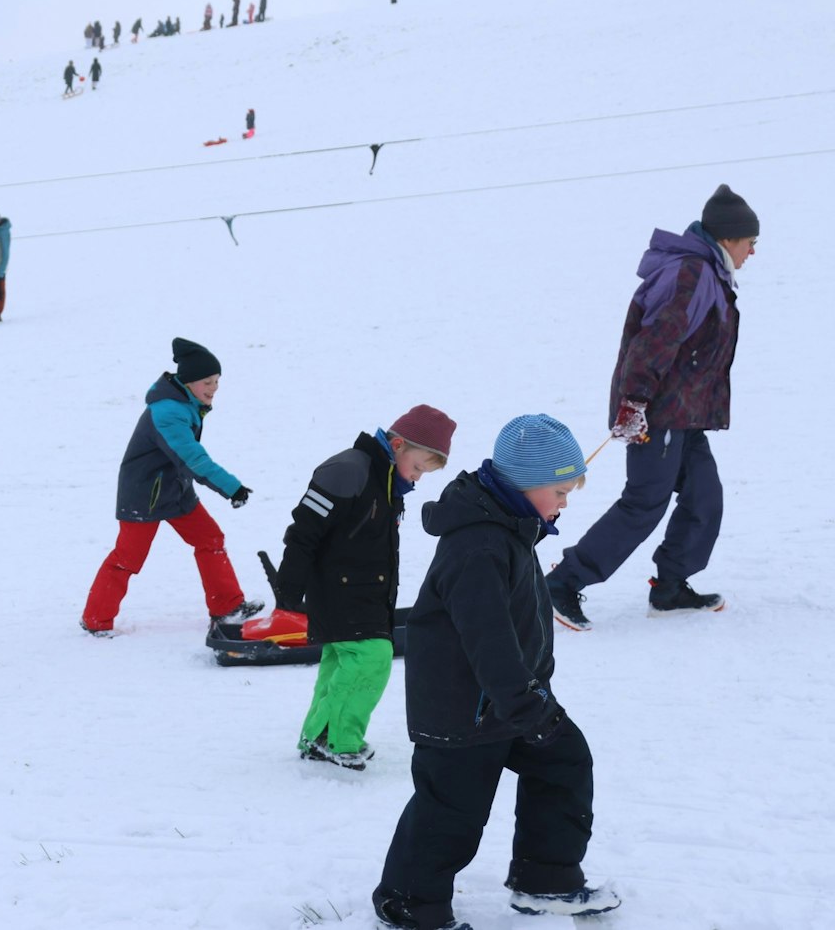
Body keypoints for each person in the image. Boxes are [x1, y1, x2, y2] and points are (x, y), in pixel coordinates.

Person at [373, 414, 620, 930]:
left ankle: (545, 879)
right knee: (451, 813)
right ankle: (409, 906)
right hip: (463, 710)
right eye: (559, 490)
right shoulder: (480, 545)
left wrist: (532, 694)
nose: (564, 503)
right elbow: (487, 640)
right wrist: (528, 704)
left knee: (564, 763)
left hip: (509, 701)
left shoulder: (510, 528)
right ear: (525, 485)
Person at [544, 185, 756, 630]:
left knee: (705, 496)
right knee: (644, 504)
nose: (753, 251)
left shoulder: (706, 273)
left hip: (682, 416)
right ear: (730, 237)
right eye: (751, 241)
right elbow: (654, 343)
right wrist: (634, 403)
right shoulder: (691, 275)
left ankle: (671, 587)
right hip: (656, 413)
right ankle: (561, 584)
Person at [270, 406, 456, 770]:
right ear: (398, 444)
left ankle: (317, 737)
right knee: (371, 659)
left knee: (341, 662)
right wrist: (289, 585)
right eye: (418, 467)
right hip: (339, 589)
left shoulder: (387, 480)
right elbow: (304, 530)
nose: (417, 478)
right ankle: (337, 740)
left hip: (368, 592)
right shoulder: (348, 470)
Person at [81, 337, 265, 634]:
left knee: (210, 538)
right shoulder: (168, 412)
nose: (214, 388)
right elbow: (192, 458)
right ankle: (95, 619)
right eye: (207, 382)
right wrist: (232, 487)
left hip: (175, 489)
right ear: (188, 381)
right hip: (144, 495)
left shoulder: (186, 403)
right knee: (128, 558)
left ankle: (227, 608)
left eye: (217, 381)